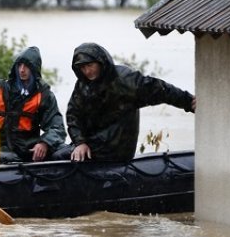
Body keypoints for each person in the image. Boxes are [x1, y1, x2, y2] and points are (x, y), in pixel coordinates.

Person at [55, 42, 195, 163]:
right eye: (82, 68)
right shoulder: (83, 85)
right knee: (56, 155)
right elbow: (73, 115)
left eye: (90, 65)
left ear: (101, 62)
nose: (87, 71)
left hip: (116, 147)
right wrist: (80, 142)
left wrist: (188, 101)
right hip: (94, 143)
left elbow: (160, 90)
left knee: (60, 157)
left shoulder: (125, 79)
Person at [0, 46, 68, 162]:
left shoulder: (44, 95)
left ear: (34, 69)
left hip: (29, 150)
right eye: (19, 65)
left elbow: (57, 127)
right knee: (7, 157)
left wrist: (44, 143)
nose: (22, 70)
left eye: (26, 66)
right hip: (1, 150)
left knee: (65, 151)